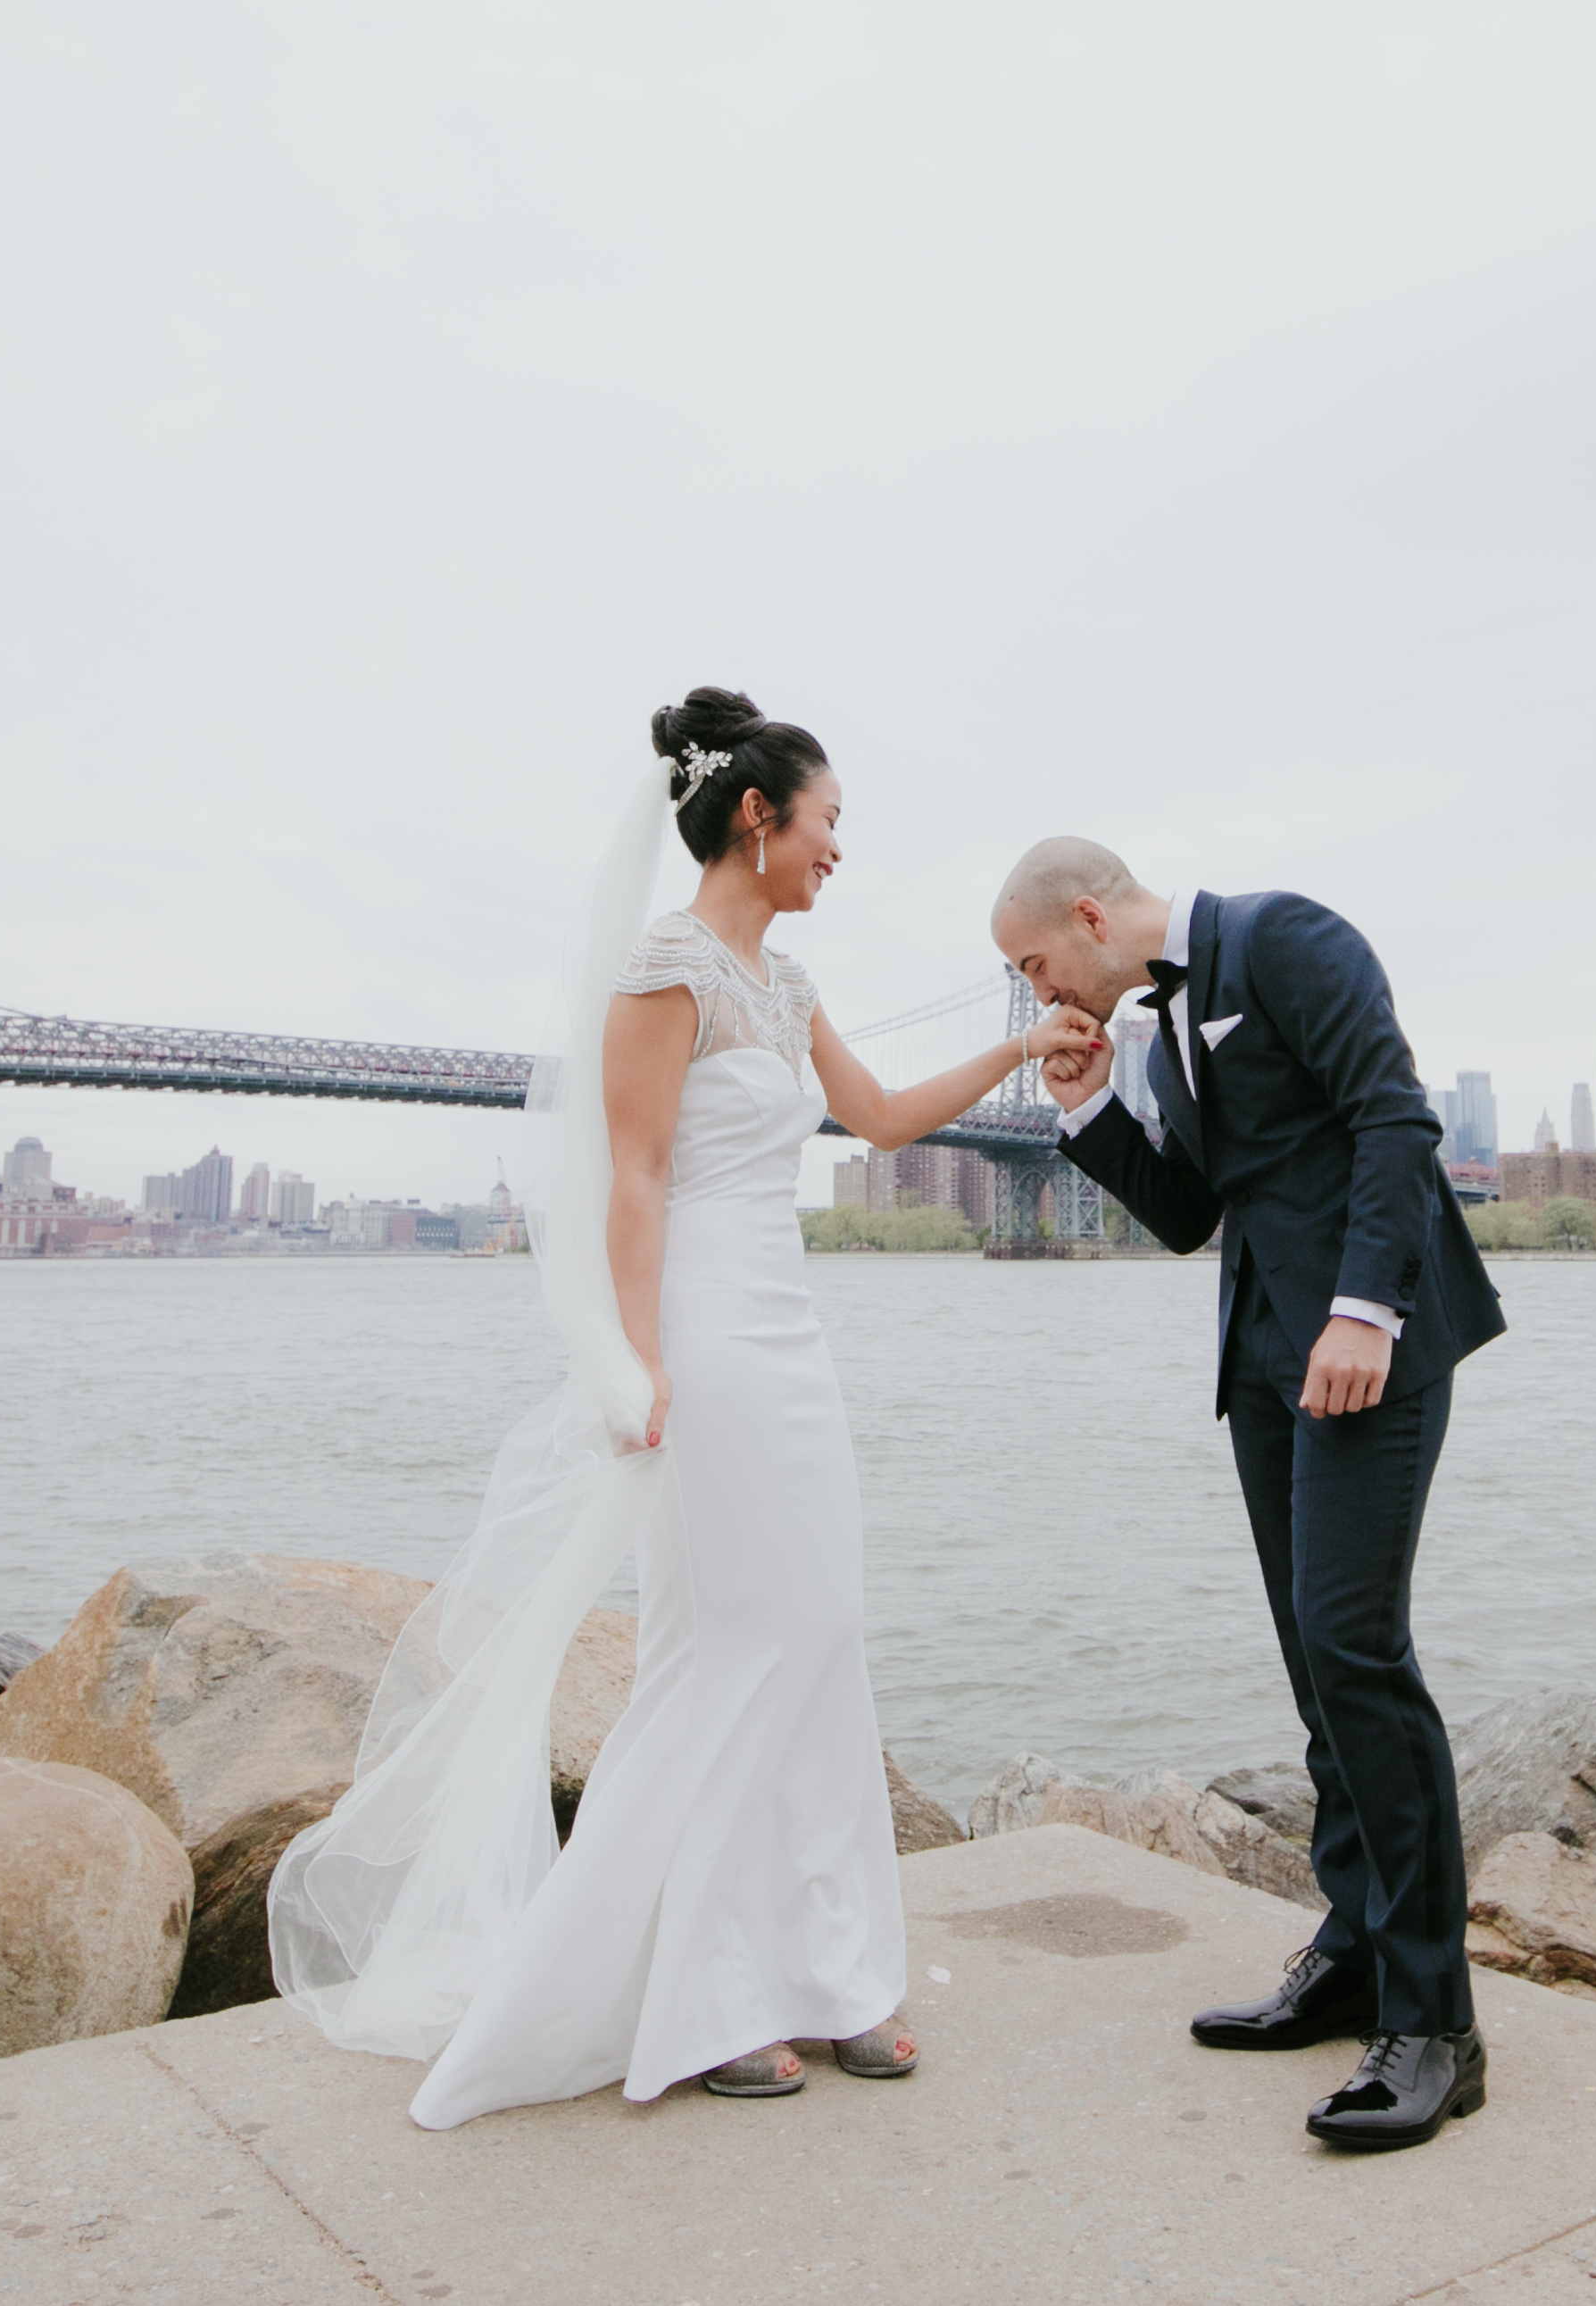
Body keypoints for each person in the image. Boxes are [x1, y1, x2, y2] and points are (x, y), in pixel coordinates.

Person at [269, 687, 1094, 2124]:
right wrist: (634, 1366)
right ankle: (706, 1995)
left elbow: (887, 1119)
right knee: (723, 1651)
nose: (840, 852)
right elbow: (634, 1177)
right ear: (758, 817)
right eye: (828, 822)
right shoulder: (664, 970)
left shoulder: (786, 989)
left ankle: (828, 1973)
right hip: (704, 1335)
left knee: (819, 1637)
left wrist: (1022, 1049)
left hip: (790, 1331)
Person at [993, 839, 1506, 2152]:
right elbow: (1186, 1215)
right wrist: (1088, 1105)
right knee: (1311, 1668)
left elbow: (1394, 1117)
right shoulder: (1160, 1033)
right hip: (1267, 1371)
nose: (1033, 988)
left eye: (1034, 964)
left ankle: (1435, 2021)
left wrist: (1362, 1310)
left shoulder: (1286, 937)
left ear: (1089, 915)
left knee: (1357, 1649)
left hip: (1366, 1349)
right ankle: (1352, 1955)